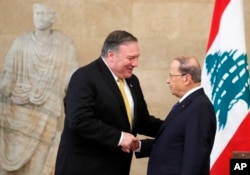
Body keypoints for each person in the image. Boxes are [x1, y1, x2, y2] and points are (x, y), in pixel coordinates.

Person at [55, 30, 163, 175]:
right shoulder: (84, 77)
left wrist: (176, 127)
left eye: (137, 58)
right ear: (111, 55)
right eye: (131, 58)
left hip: (117, 167)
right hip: (84, 168)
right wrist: (119, 137)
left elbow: (142, 121)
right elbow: (79, 120)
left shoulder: (132, 81)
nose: (136, 63)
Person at [0, 3, 79, 175]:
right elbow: (7, 77)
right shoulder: (21, 42)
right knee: (12, 161)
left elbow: (73, 79)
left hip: (47, 110)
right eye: (36, 13)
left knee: (41, 162)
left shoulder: (64, 45)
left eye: (43, 13)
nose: (38, 17)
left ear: (52, 19)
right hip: (18, 110)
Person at [136, 56, 217, 175]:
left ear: (186, 78)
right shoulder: (188, 104)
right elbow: (174, 143)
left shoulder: (199, 107)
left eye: (171, 76)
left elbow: (194, 158)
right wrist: (139, 145)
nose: (167, 80)